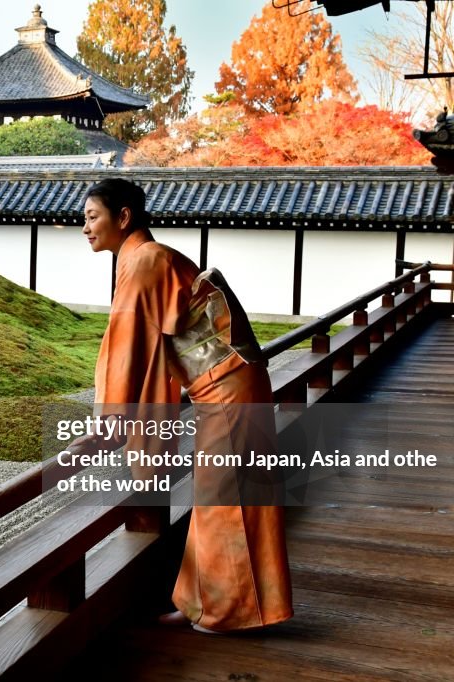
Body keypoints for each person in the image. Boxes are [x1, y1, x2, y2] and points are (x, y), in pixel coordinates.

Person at [82, 178, 292, 633]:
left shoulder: (145, 261)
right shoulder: (149, 258)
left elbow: (127, 344)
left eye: (92, 216)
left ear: (123, 218)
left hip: (226, 388)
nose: (85, 227)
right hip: (229, 383)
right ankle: (200, 602)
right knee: (218, 497)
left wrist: (112, 416)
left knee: (224, 500)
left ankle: (226, 612)